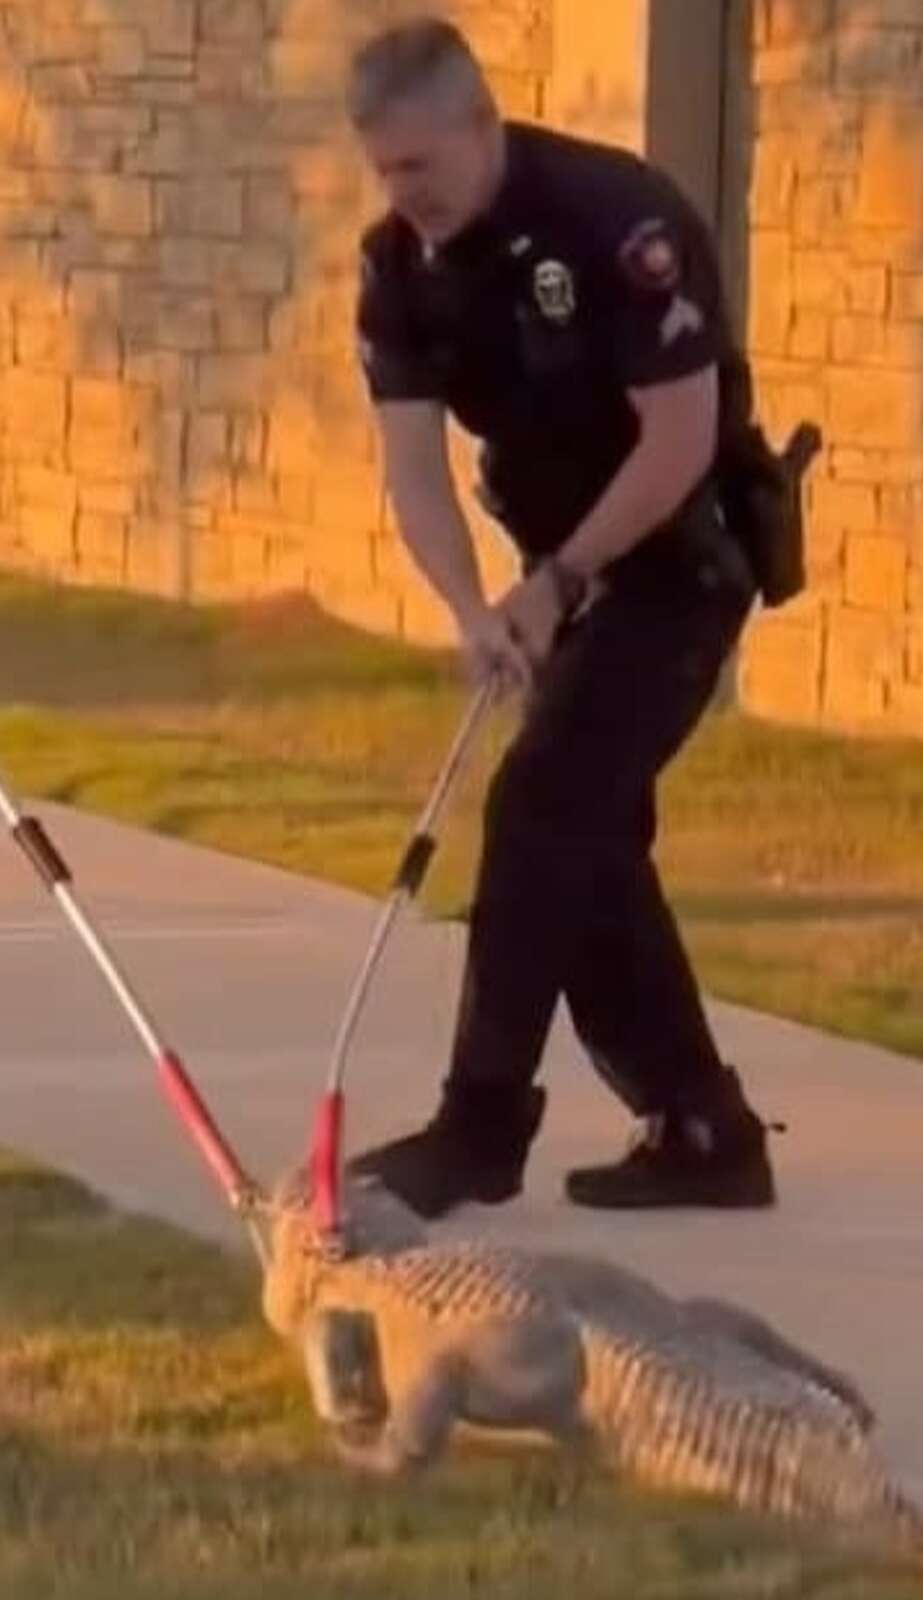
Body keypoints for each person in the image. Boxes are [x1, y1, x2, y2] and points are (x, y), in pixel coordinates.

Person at [341, 19, 798, 1217]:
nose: (409, 195)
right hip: (567, 574)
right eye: (387, 171)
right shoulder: (396, 267)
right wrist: (468, 608)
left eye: (423, 166)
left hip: (679, 563)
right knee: (584, 839)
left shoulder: (615, 221)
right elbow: (416, 467)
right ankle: (705, 1128)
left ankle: (480, 1129)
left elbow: (681, 439)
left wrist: (554, 583)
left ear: (484, 123)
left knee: (544, 802)